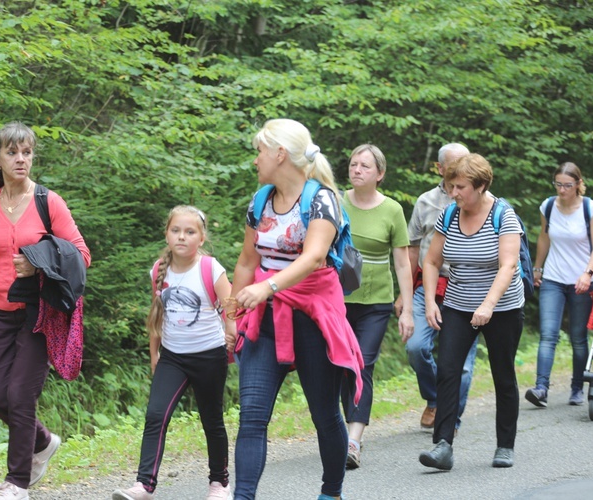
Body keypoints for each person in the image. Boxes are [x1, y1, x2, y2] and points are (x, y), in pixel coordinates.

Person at [0, 122, 91, 500]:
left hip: (40, 312)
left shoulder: (47, 202)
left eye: (26, 152)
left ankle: (17, 482)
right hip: (0, 313)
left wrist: (40, 264)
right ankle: (42, 441)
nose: (20, 159)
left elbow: (81, 254)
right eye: (12, 152)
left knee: (21, 396)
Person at [226, 119, 363, 500]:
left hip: (312, 317)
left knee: (324, 414)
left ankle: (331, 492)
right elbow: (245, 261)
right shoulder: (260, 201)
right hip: (265, 319)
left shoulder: (322, 199)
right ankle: (243, 497)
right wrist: (231, 316)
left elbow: (315, 256)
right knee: (252, 417)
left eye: (259, 152)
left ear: (279, 154)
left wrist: (267, 286)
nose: (256, 161)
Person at [112, 205, 236, 500]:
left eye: (190, 232)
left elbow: (231, 307)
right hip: (173, 357)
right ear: (167, 235)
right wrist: (154, 354)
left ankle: (219, 484)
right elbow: (156, 316)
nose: (182, 237)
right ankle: (144, 485)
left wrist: (231, 333)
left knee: (212, 420)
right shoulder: (158, 270)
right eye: (176, 231)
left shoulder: (210, 269)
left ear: (201, 238)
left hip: (209, 355)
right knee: (156, 414)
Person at [419, 153, 524, 470]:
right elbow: (432, 261)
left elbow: (509, 264)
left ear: (480, 186)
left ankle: (505, 445)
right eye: (451, 186)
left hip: (502, 307)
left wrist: (488, 304)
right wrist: (429, 303)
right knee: (448, 371)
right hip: (458, 305)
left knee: (503, 375)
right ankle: (443, 446)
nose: (453, 193)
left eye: (460, 187)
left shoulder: (504, 216)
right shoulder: (449, 214)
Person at [340, 144, 414, 470]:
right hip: (335, 300)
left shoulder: (392, 210)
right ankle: (342, 433)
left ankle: (353, 440)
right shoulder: (335, 201)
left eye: (365, 166)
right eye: (354, 164)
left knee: (362, 365)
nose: (357, 170)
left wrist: (407, 309)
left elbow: (402, 264)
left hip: (376, 301)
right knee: (342, 366)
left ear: (379, 174)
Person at [399, 143, 478, 433]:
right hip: (427, 286)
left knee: (463, 365)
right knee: (416, 347)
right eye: (454, 164)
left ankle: (449, 419)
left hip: (466, 287)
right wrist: (403, 294)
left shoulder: (483, 200)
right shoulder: (426, 201)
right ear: (440, 168)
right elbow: (411, 249)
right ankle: (435, 398)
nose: (460, 169)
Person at [525, 162, 593, 408]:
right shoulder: (548, 206)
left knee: (578, 338)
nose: (562, 190)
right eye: (558, 184)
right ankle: (541, 388)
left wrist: (588, 274)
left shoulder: (589, 208)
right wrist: (537, 267)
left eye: (567, 185)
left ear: (578, 184)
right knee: (548, 335)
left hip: (581, 283)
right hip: (553, 278)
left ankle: (577, 388)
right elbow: (544, 237)